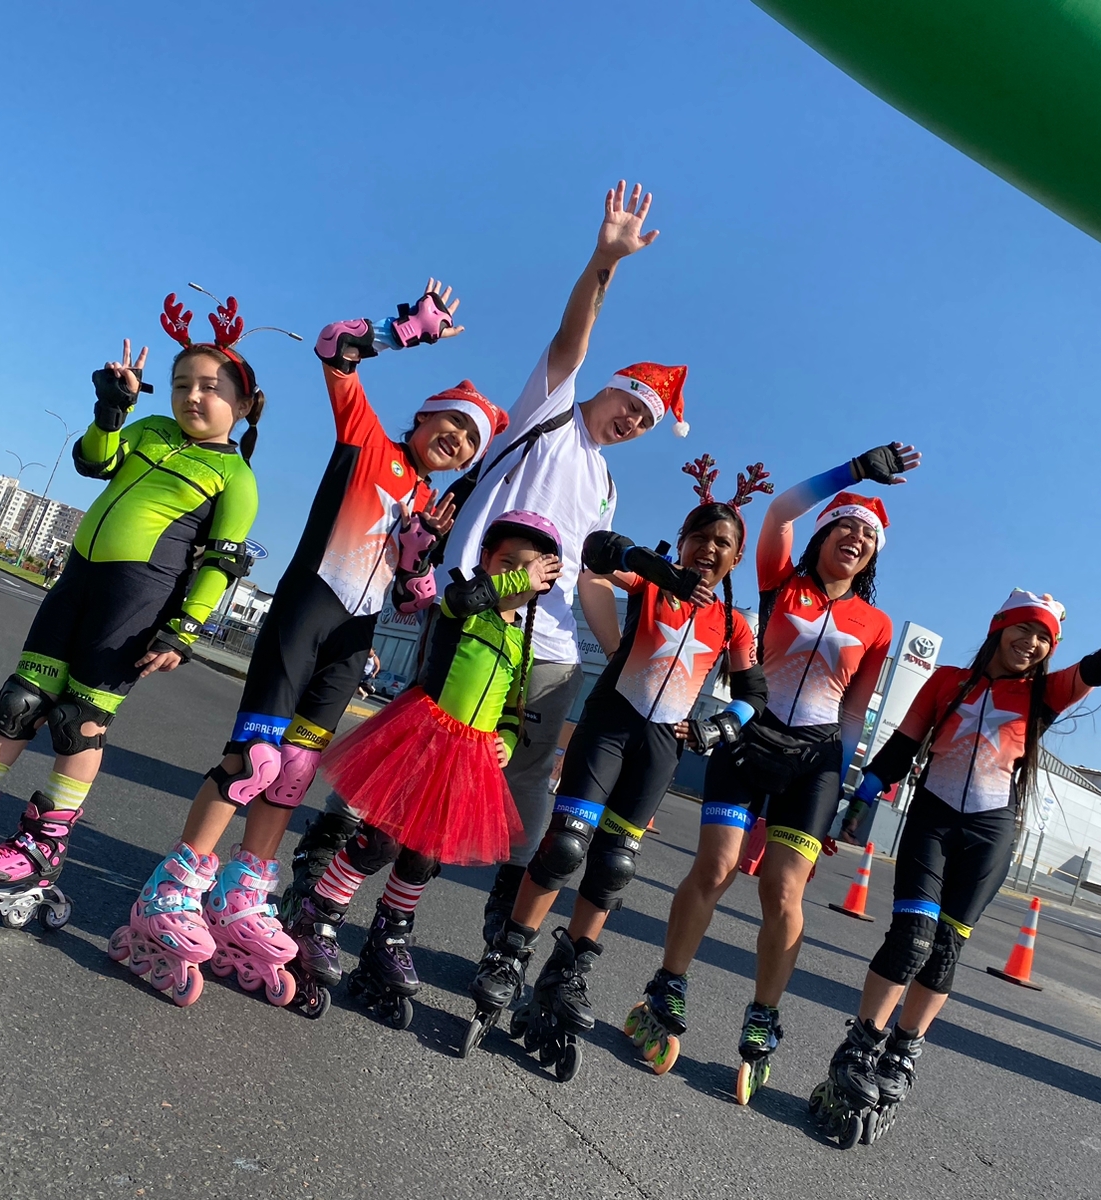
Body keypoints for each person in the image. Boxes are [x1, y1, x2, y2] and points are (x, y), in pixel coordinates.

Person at [279, 182, 682, 950]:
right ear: (609, 388)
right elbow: (572, 339)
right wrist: (605, 261)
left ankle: (437, 925)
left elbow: (591, 577)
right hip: (477, 606)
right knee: (412, 757)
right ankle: (325, 869)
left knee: (493, 787)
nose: (634, 421)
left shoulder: (606, 481)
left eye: (647, 422)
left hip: (545, 647)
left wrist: (620, 650)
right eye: (632, 404)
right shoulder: (550, 414)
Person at [112, 281, 509, 1008]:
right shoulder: (368, 438)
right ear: (425, 417)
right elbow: (334, 350)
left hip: (353, 639)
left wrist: (420, 559)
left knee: (294, 773)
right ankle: (173, 888)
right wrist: (406, 329)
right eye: (451, 423)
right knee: (254, 760)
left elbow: (409, 599)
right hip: (306, 610)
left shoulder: (431, 502)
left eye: (469, 440)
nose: (456, 439)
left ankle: (241, 897)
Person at [0, 295, 263, 932]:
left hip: (138, 599)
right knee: (20, 700)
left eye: (211, 388)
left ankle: (42, 842)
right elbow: (93, 461)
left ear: (243, 404)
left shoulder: (236, 477)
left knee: (79, 719)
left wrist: (184, 629)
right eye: (182, 383)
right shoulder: (151, 431)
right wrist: (112, 410)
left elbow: (221, 561)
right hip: (76, 579)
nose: (192, 396)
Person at [810, 581, 1101, 1147]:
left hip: (990, 832)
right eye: (1023, 629)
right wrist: (858, 803)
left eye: (1043, 637)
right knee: (911, 939)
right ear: (999, 628)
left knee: (945, 949)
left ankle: (902, 1054)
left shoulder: (1043, 694)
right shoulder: (946, 681)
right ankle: (861, 1045)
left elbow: (1098, 668)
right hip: (932, 821)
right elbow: (901, 748)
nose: (1031, 643)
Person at [466, 457, 771, 1079]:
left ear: (736, 557)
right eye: (699, 537)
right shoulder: (653, 582)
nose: (709, 548)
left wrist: (718, 726)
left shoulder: (734, 624)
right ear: (682, 541)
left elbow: (754, 695)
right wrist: (655, 567)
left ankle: (570, 970)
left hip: (662, 744)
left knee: (613, 864)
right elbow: (596, 554)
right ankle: (510, 952)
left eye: (722, 543)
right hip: (611, 723)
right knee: (565, 846)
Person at [636, 443, 922, 1104]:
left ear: (874, 557)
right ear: (823, 534)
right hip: (748, 733)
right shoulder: (779, 581)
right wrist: (853, 472)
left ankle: (763, 1018)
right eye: (845, 526)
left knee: (783, 892)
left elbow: (854, 712)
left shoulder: (876, 624)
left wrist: (845, 791)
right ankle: (668, 986)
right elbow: (779, 512)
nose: (855, 538)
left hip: (815, 760)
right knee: (715, 869)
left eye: (868, 537)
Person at [286, 512, 560, 1025]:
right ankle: (316, 915)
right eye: (507, 564)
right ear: (485, 561)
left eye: (529, 571)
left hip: (469, 757)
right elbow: (459, 600)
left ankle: (389, 935)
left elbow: (511, 708)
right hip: (424, 736)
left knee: (423, 856)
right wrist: (516, 580)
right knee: (380, 841)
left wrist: (503, 740)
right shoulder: (462, 606)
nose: (517, 577)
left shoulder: (522, 644)